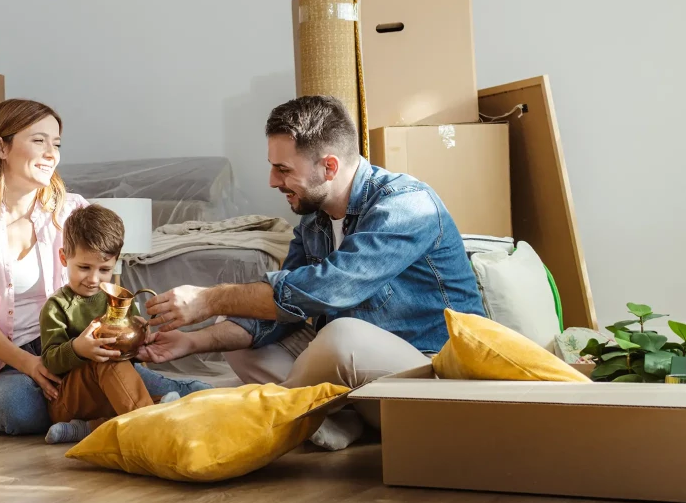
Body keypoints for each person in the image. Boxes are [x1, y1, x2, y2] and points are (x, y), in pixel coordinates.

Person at [138, 95, 486, 450]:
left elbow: (331, 289)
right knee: (240, 326)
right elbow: (284, 312)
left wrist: (208, 298)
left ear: (329, 168)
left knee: (342, 336)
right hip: (369, 389)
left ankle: (243, 414)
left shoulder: (407, 205)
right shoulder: (313, 223)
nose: (273, 180)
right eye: (273, 166)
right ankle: (335, 419)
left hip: (432, 378)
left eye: (284, 169)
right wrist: (193, 341)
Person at [0, 99, 205, 436]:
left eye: (57, 143)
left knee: (182, 390)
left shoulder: (73, 209)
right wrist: (30, 364)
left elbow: (101, 282)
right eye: (39, 141)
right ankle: (111, 411)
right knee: (13, 407)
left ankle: (96, 417)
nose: (52, 153)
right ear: (0, 147)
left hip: (77, 346)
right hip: (6, 363)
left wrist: (125, 329)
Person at [38, 205, 210, 444]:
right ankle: (150, 426)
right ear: (64, 258)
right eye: (84, 267)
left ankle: (92, 428)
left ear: (116, 264)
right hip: (67, 399)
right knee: (109, 362)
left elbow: (132, 360)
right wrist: (78, 349)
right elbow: (50, 361)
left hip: (110, 396)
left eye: (104, 270)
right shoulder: (57, 306)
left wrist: (140, 341)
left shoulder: (120, 300)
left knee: (125, 372)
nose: (93, 278)